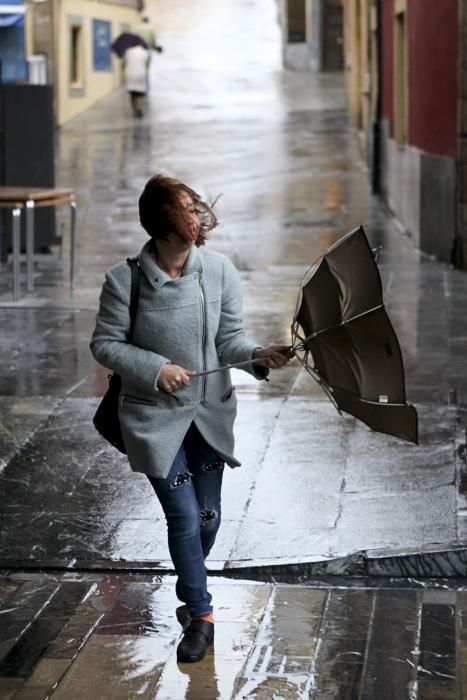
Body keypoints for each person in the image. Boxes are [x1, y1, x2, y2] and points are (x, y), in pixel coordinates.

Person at [90, 175, 293, 663]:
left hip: (208, 415)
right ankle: (200, 614)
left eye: (197, 205)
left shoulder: (219, 271)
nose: (198, 214)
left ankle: (190, 585)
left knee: (208, 518)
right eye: (186, 207)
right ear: (163, 220)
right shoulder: (127, 279)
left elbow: (230, 341)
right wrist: (156, 369)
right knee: (183, 516)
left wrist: (259, 355)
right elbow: (105, 344)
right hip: (153, 421)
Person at [123, 44, 149, 117]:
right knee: (140, 93)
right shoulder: (144, 52)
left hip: (130, 74)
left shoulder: (128, 52)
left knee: (132, 93)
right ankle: (139, 108)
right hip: (140, 73)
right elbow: (146, 63)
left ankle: (134, 109)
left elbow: (124, 62)